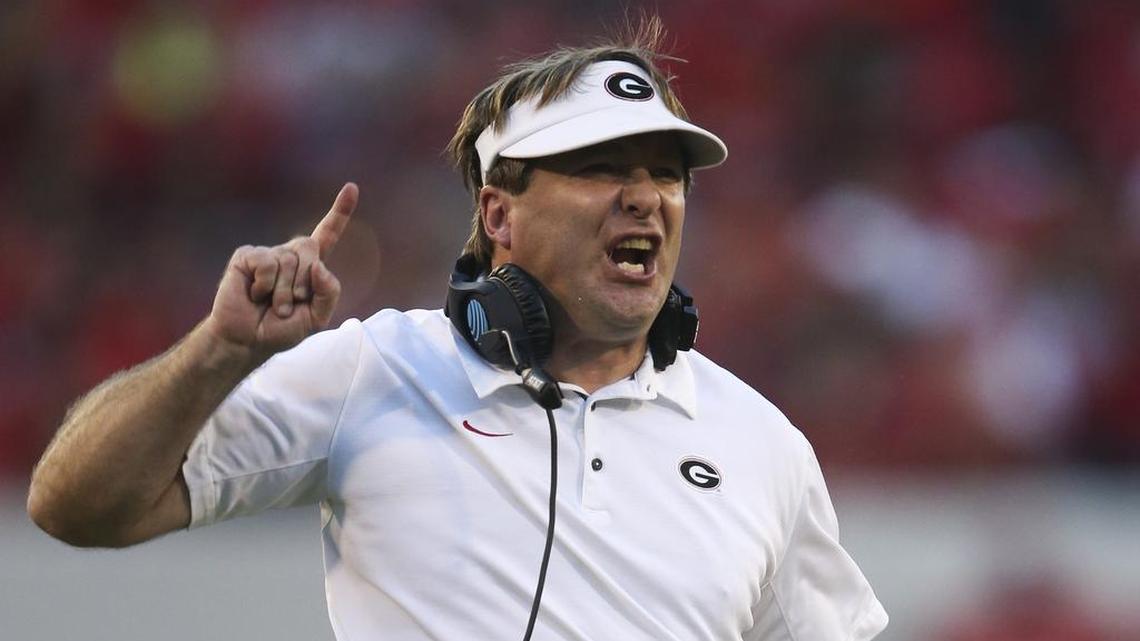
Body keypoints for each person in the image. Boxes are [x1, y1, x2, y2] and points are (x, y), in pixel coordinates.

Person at [27, 19, 888, 641]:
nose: (645, 196)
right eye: (597, 167)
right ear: (498, 213)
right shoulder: (377, 368)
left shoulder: (761, 442)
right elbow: (75, 506)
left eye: (667, 174)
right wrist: (217, 352)